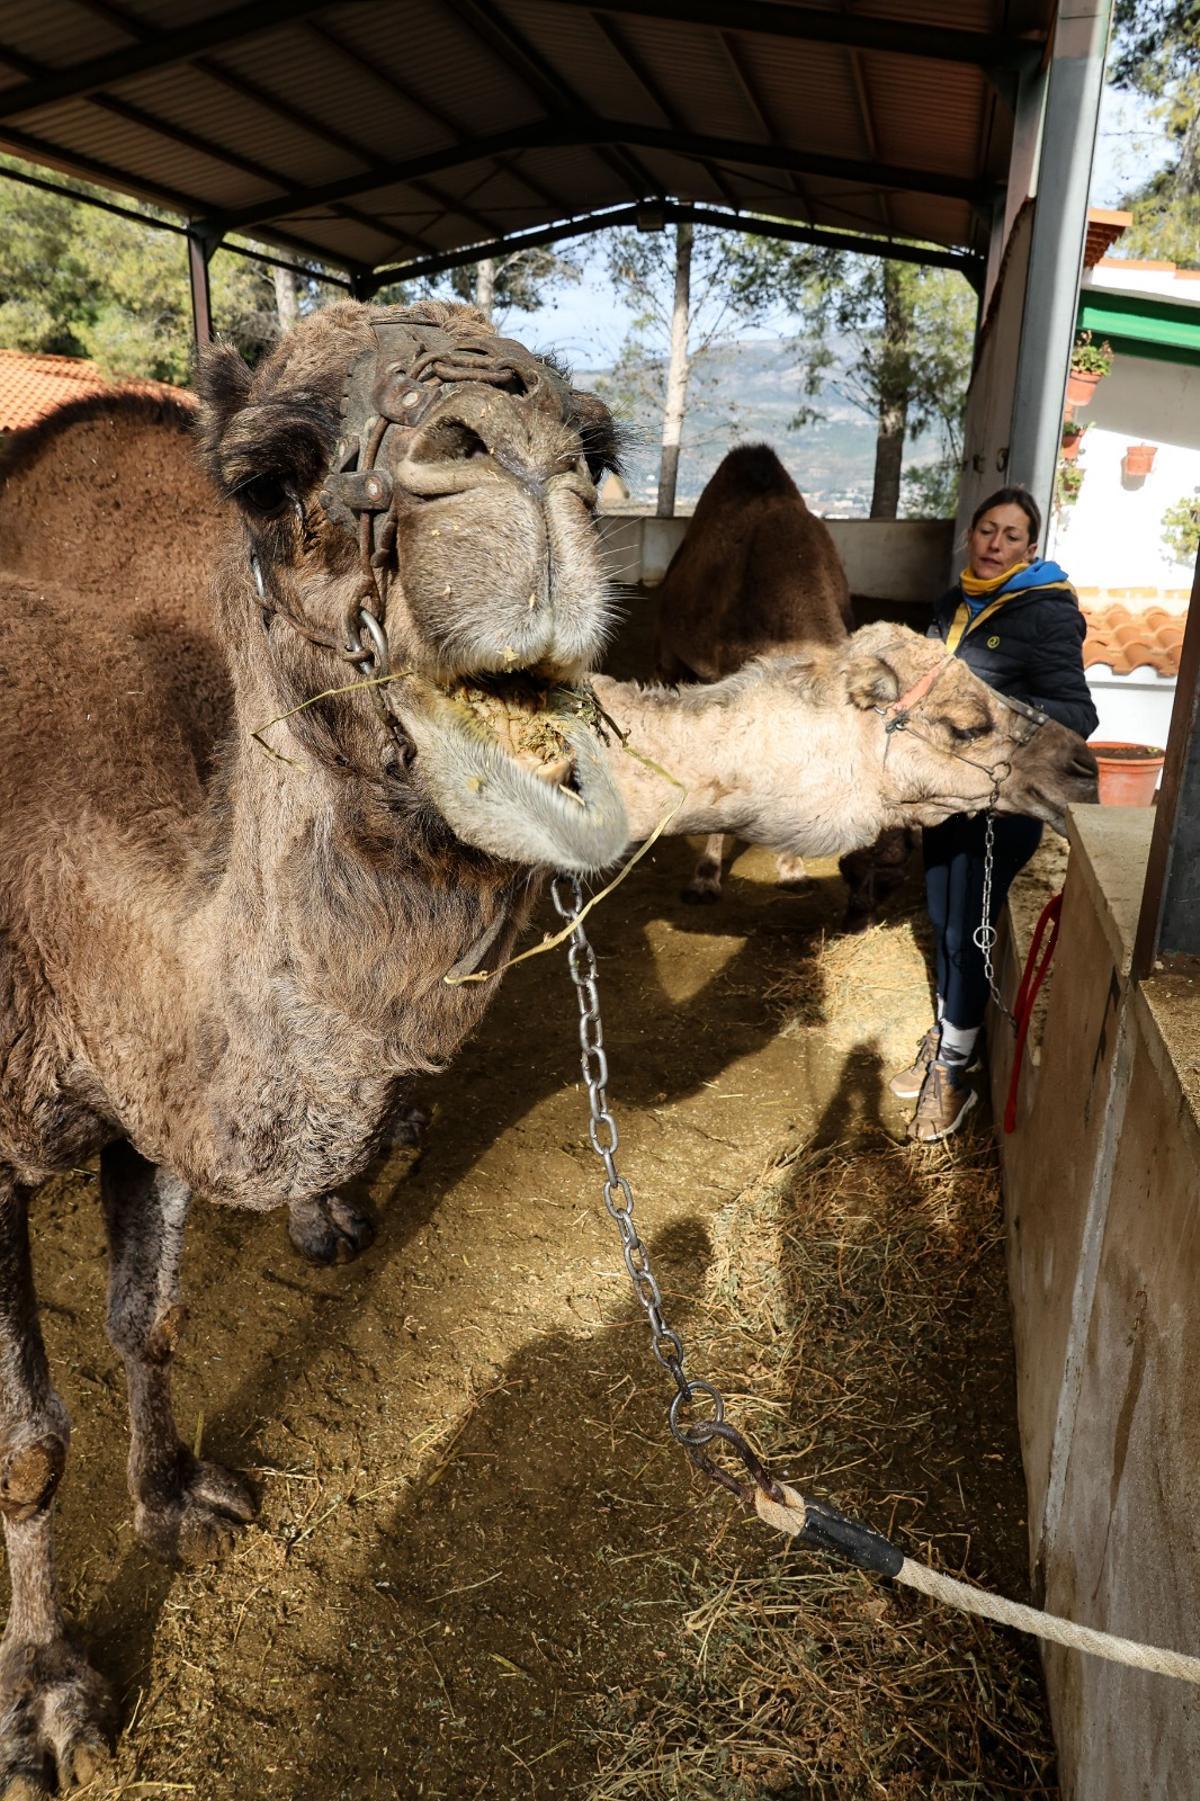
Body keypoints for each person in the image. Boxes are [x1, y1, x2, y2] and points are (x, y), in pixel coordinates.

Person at [891, 486, 1099, 1143]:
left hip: (1000, 798)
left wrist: (992, 726)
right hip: (944, 791)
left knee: (966, 931)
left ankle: (956, 1067)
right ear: (971, 534)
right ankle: (951, 1029)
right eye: (987, 529)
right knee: (939, 912)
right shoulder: (952, 604)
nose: (995, 543)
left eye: (1011, 535)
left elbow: (1077, 713)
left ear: (1029, 548)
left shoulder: (1048, 613)